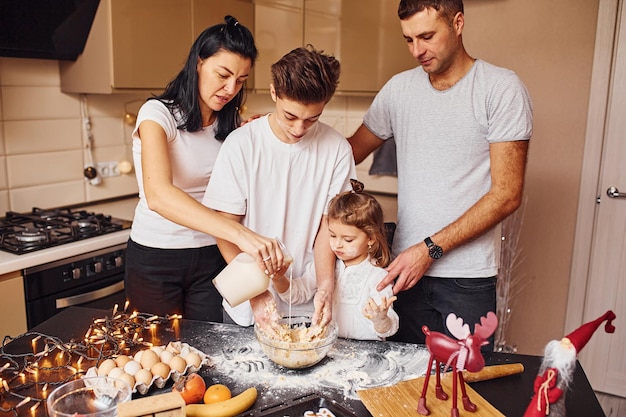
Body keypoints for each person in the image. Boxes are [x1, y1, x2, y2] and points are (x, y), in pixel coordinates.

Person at [347, 0, 533, 344]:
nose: (417, 50)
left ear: (458, 23)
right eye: (408, 39)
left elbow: (507, 195)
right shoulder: (398, 90)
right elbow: (346, 152)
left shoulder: (500, 89)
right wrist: (276, 133)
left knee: (464, 388)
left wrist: (429, 250)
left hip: (466, 281)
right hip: (404, 272)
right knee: (399, 386)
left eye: (427, 36)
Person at [125, 16, 285, 322]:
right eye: (222, 75)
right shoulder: (157, 115)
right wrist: (242, 235)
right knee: (158, 356)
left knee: (208, 356)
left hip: (212, 257)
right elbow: (158, 195)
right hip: (156, 256)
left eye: (240, 80)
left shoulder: (232, 126)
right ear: (198, 62)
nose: (230, 89)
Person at [203, 45, 356, 329]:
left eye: (312, 119)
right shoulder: (242, 144)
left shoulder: (337, 149)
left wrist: (325, 286)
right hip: (248, 307)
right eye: (290, 116)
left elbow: (329, 229)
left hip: (306, 306)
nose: (299, 128)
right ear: (274, 93)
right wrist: (256, 292)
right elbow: (225, 229)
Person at [271, 179, 399, 340]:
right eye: (332, 235)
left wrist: (381, 319)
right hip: (329, 349)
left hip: (366, 354)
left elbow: (388, 329)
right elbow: (297, 295)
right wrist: (279, 279)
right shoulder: (323, 267)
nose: (337, 244)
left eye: (348, 240)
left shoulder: (377, 277)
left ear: (371, 239)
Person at [523, 310, 616, 417]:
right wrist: (539, 384)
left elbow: (559, 389)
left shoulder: (566, 369)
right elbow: (541, 373)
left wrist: (550, 394)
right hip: (540, 397)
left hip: (553, 405)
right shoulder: (550, 361)